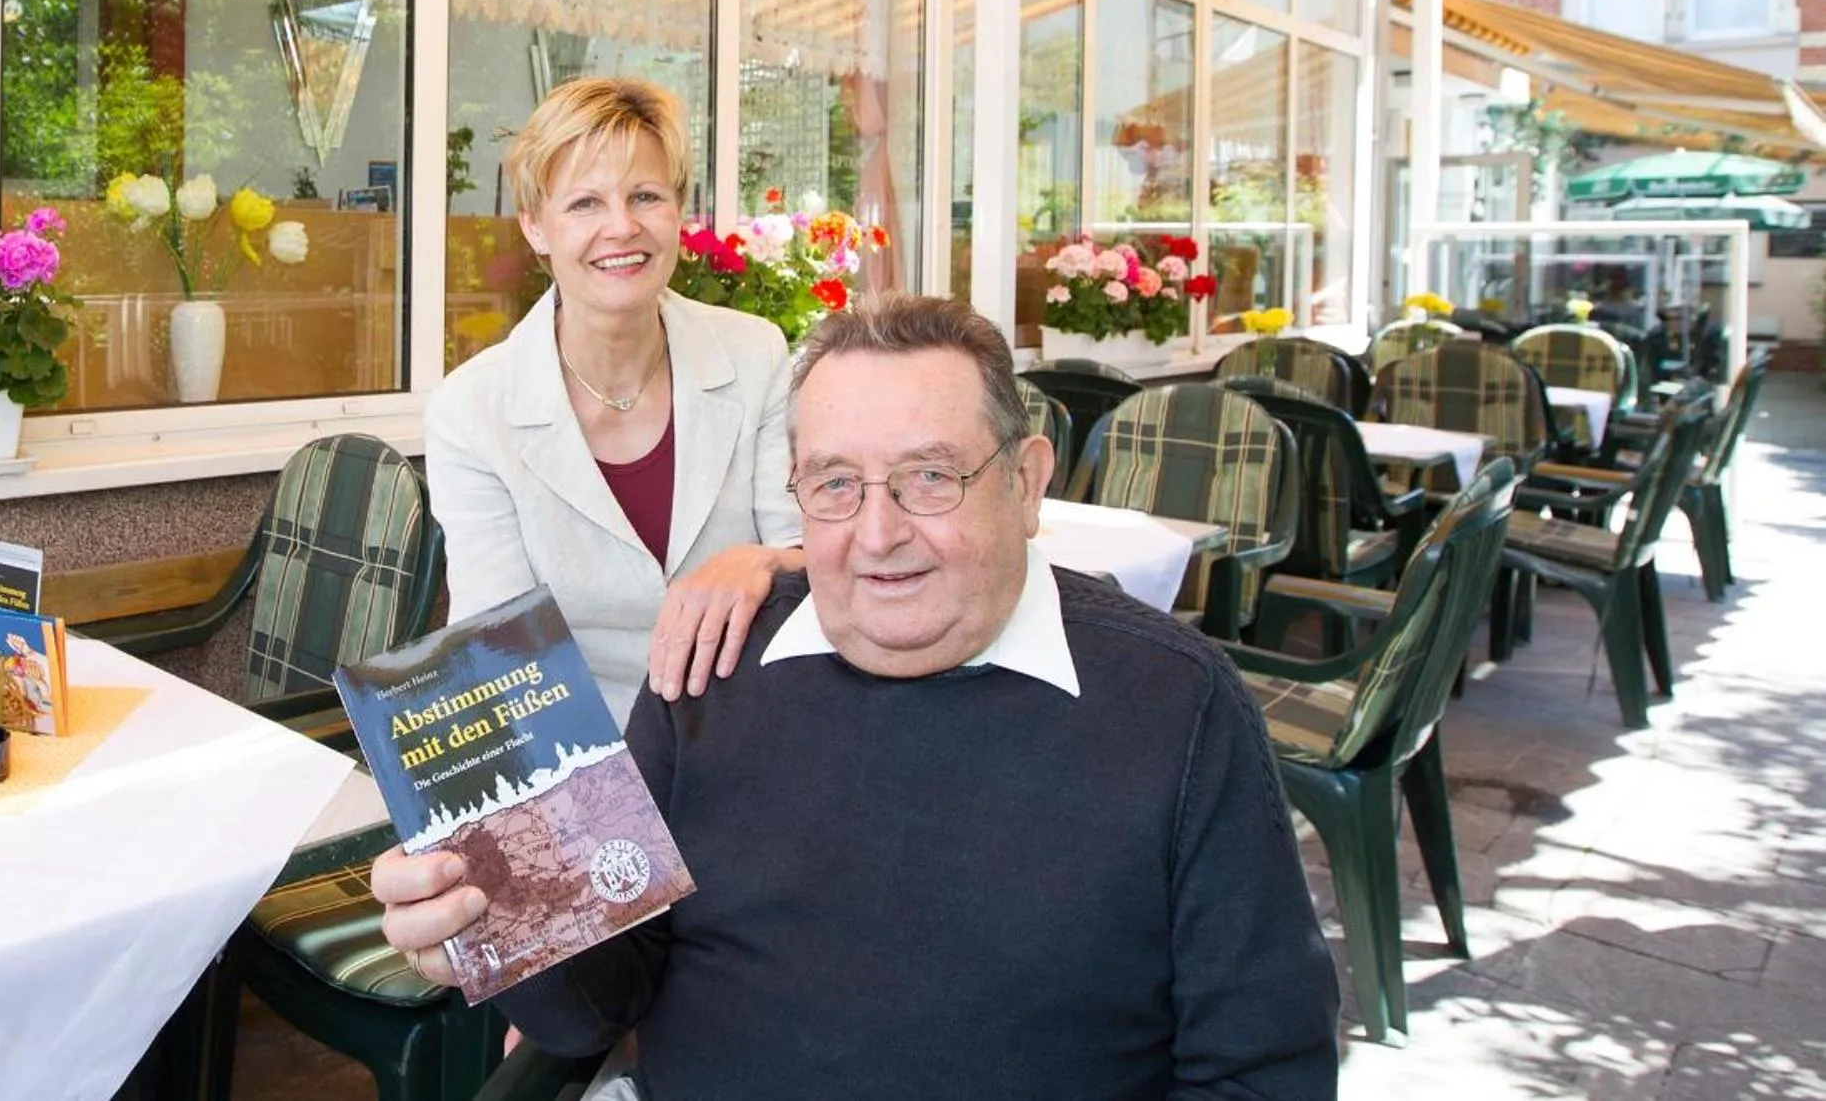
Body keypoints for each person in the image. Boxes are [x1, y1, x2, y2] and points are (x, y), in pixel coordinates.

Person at [382, 294, 1341, 1100]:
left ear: (1027, 481)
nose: (877, 534)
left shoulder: (1173, 705)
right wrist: (490, 923)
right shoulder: (710, 670)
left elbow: (1263, 1068)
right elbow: (600, 999)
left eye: (930, 477)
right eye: (836, 484)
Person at [424, 79, 803, 725]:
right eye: (584, 203)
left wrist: (760, 559)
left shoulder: (755, 355)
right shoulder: (471, 410)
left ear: (677, 210)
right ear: (535, 228)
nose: (621, 226)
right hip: (587, 754)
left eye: (645, 195)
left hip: (763, 730)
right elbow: (501, 649)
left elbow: (815, 555)